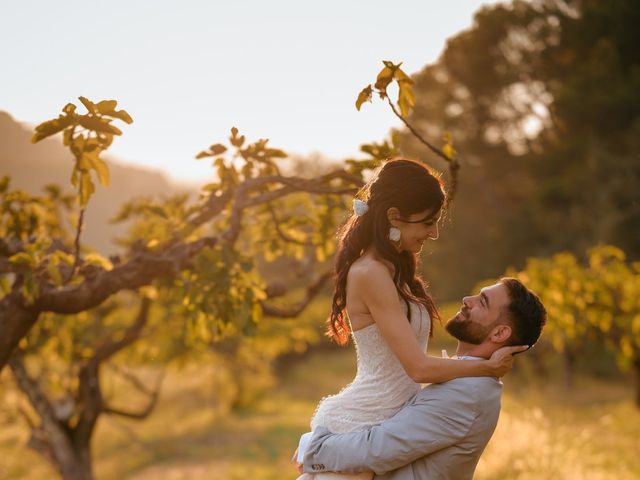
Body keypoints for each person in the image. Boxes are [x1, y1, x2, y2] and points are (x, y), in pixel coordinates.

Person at [295, 159, 526, 480]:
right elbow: (417, 368)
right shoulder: (371, 273)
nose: (433, 233)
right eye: (427, 222)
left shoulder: (398, 267)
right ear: (394, 217)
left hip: (388, 419)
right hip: (362, 419)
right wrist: (487, 367)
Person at [298, 277, 547, 479]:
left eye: (482, 301)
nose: (467, 299)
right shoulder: (468, 378)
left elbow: (376, 449)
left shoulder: (467, 393)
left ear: (500, 332)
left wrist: (312, 447)